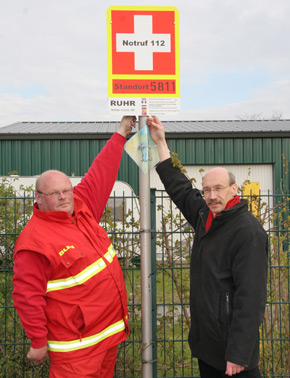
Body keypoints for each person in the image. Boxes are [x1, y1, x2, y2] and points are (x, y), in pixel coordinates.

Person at [12, 116, 136, 378]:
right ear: (38, 198)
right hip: (76, 353)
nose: (63, 197)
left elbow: (100, 171)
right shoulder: (33, 242)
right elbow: (27, 296)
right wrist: (37, 341)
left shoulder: (81, 205)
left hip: (108, 337)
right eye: (54, 193)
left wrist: (122, 131)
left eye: (66, 190)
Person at [148, 116, 268, 377]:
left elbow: (251, 300)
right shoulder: (206, 217)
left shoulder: (249, 232)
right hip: (208, 347)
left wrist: (238, 355)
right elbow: (180, 189)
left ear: (234, 189)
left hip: (233, 353)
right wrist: (161, 143)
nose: (212, 195)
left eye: (218, 189)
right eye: (206, 190)